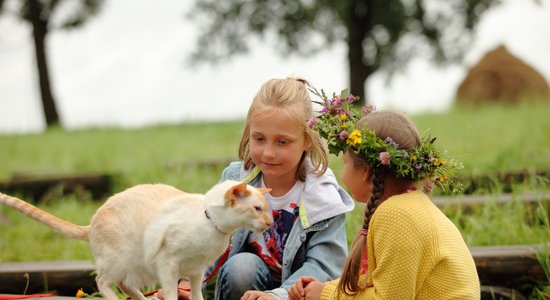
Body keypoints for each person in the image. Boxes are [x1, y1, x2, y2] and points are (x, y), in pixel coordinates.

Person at [157, 77, 355, 300]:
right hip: (243, 288)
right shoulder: (235, 181)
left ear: (307, 140)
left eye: (282, 142)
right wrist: (185, 284)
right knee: (243, 267)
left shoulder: (324, 196)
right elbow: (206, 238)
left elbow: (325, 267)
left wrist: (277, 296)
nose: (269, 152)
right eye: (259, 139)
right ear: (248, 133)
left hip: (294, 295)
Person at [288, 91, 480, 299]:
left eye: (345, 164)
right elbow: (381, 281)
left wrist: (325, 295)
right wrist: (326, 287)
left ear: (366, 171)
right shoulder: (410, 205)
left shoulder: (396, 215)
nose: (343, 174)